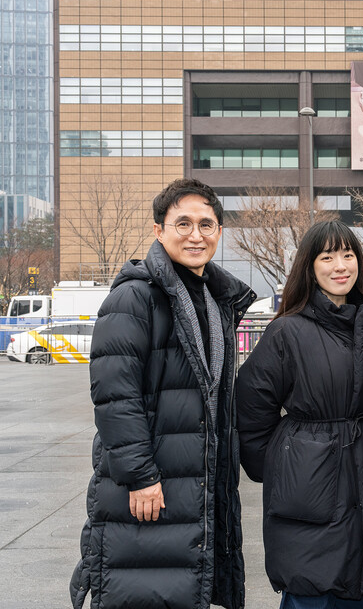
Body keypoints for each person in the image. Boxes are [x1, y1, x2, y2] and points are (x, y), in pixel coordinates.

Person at [70, 178, 256, 609]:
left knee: (184, 587)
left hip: (198, 479)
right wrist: (141, 476)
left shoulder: (215, 298)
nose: (196, 235)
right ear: (159, 230)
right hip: (149, 482)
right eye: (183, 224)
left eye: (207, 225)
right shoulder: (135, 297)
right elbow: (115, 396)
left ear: (219, 232)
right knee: (142, 588)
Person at [235, 221, 363, 609]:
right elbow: (252, 402)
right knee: (310, 590)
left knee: (359, 584)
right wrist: (279, 463)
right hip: (307, 482)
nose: (340, 265)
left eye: (348, 254)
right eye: (327, 257)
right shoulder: (287, 330)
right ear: (310, 265)